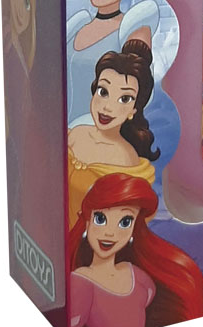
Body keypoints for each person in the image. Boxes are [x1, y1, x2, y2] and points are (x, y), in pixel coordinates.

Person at [67, 173, 203, 327]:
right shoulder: (81, 282)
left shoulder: (137, 276)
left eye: (125, 222)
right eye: (100, 219)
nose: (110, 233)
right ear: (87, 221)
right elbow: (70, 325)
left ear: (134, 229)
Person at [66, 0, 158, 128]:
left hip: (104, 135)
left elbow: (140, 93)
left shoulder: (132, 30)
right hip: (65, 134)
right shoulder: (77, 26)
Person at [67, 40, 159, 226]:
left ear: (134, 109)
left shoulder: (125, 159)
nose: (108, 107)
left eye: (124, 99)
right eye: (103, 92)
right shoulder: (76, 134)